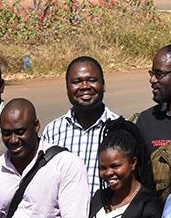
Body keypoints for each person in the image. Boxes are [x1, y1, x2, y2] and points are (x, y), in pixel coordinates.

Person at [41, 57, 119, 188]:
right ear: (67, 88)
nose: (85, 87)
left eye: (92, 80)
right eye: (76, 82)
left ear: (104, 85)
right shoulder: (52, 132)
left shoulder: (120, 129)